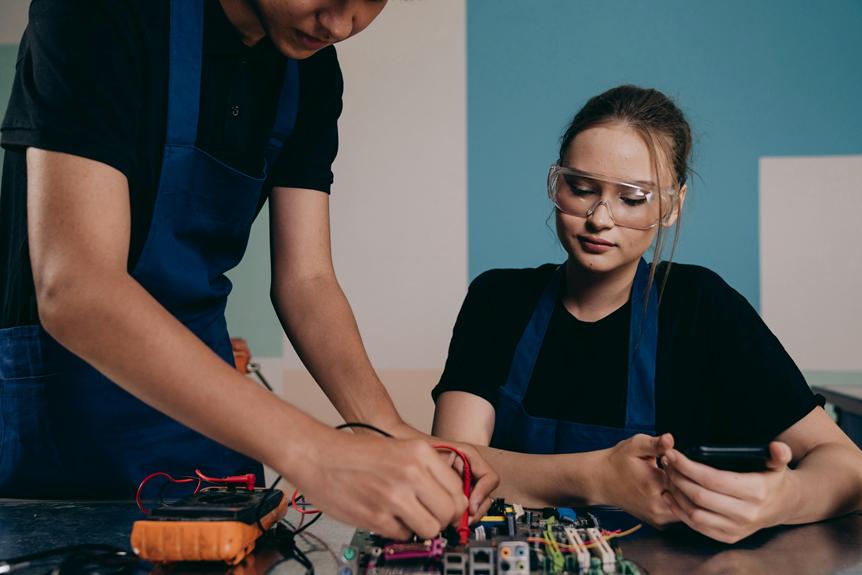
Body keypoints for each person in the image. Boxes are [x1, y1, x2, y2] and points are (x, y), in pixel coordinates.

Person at [0, 0, 496, 540]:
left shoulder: (311, 70)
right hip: (59, 421)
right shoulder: (100, 14)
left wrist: (384, 430)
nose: (339, 25)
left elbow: (307, 281)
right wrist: (315, 451)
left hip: (208, 420)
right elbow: (78, 289)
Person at [431, 85, 862, 543]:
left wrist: (782, 499)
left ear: (672, 206)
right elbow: (453, 467)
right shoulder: (498, 299)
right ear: (556, 183)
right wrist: (596, 476)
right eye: (580, 188)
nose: (600, 217)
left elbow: (848, 466)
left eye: (632, 198)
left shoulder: (701, 307)